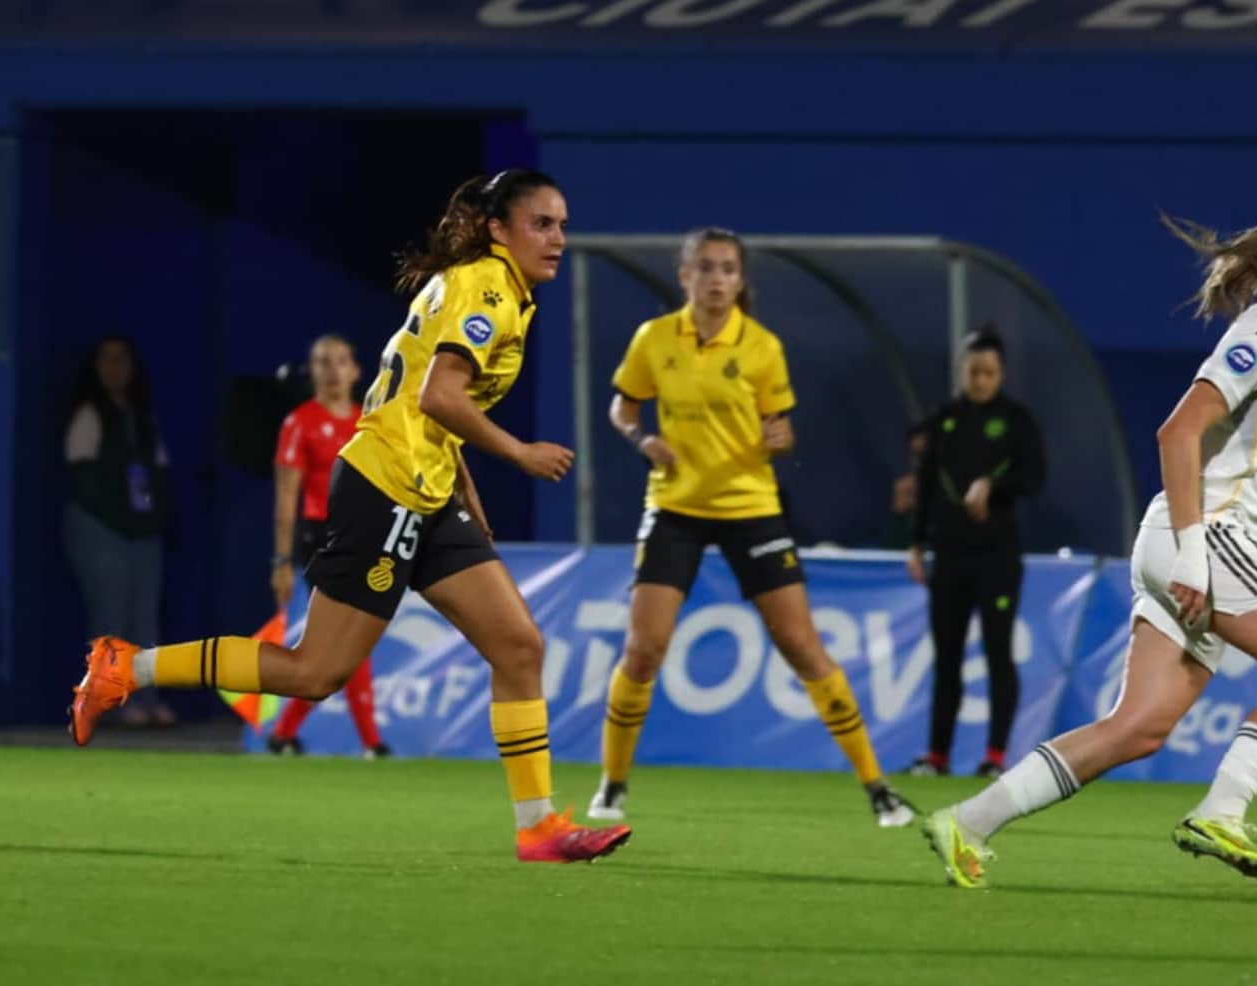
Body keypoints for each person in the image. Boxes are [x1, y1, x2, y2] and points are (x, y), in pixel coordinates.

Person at [70, 170, 630, 864]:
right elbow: (439, 395)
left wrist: (463, 486)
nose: (558, 238)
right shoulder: (488, 286)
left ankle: (538, 827)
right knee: (313, 672)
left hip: (426, 490)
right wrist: (518, 452)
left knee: (518, 646)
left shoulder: (492, 287)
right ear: (498, 229)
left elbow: (421, 395)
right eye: (542, 224)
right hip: (385, 486)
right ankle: (128, 665)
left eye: (562, 224)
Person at [921, 183, 1257, 888]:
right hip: (1206, 536)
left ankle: (967, 820)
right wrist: (1195, 554)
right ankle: (1221, 811)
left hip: (1193, 543)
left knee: (1136, 727)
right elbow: (1179, 430)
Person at [589, 226, 915, 829]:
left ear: (740, 281)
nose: (717, 280)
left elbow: (779, 429)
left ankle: (878, 787)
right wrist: (641, 439)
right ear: (684, 276)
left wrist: (782, 436)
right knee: (643, 649)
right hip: (676, 506)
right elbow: (622, 406)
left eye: (728, 269)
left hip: (750, 507)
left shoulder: (763, 347)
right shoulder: (654, 339)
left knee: (801, 646)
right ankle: (612, 783)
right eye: (706, 268)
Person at [904, 326, 1045, 780]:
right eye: (974, 371)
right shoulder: (944, 420)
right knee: (946, 657)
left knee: (997, 652)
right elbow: (925, 483)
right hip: (949, 555)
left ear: (1000, 374)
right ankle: (937, 756)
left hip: (997, 556)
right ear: (962, 371)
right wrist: (916, 542)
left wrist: (993, 485)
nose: (981, 380)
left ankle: (995, 757)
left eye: (989, 372)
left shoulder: (1017, 421)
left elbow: (1034, 477)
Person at [266, 334, 390, 759]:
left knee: (339, 645)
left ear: (356, 371)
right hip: (322, 538)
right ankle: (372, 744)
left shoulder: (369, 422)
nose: (332, 370)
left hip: (366, 535)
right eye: (322, 361)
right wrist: (281, 560)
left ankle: (283, 734)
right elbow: (286, 497)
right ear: (312, 371)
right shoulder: (299, 423)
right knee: (350, 638)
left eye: (340, 361)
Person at [63, 336, 176, 728]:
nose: (115, 367)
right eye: (106, 359)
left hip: (141, 531)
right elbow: (83, 478)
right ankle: (110, 703)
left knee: (145, 618)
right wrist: (121, 518)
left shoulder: (142, 417)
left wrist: (150, 518)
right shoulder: (89, 414)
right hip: (100, 528)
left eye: (122, 359)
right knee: (111, 616)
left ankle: (146, 700)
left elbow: (158, 474)